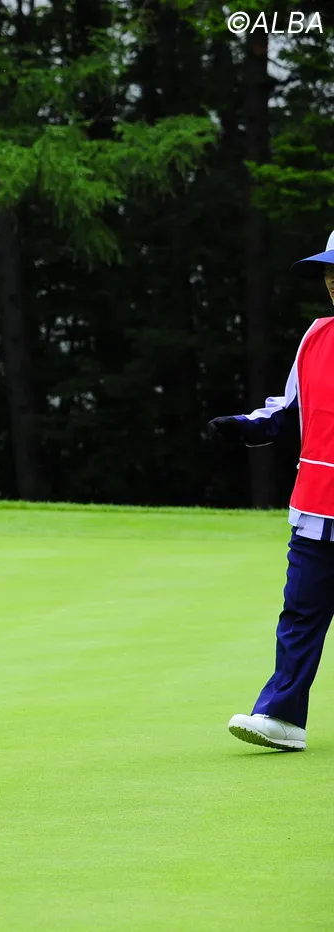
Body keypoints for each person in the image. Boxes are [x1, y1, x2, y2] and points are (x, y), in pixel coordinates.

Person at [212, 230, 334, 751]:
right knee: (300, 616)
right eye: (329, 272)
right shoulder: (316, 336)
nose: (332, 281)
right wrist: (247, 426)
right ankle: (282, 717)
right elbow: (288, 409)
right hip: (316, 509)